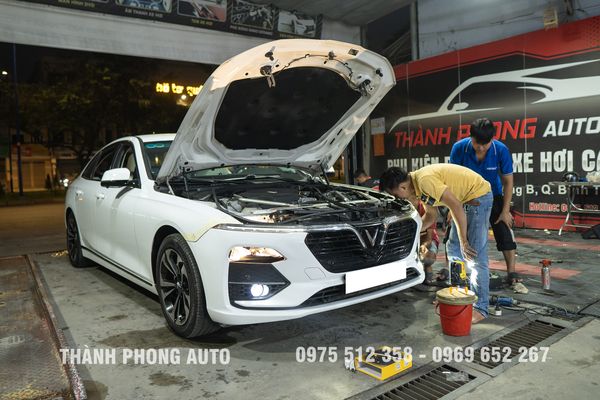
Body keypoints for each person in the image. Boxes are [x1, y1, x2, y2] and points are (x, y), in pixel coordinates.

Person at [380, 164, 492, 323]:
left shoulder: (425, 181)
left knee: (474, 254)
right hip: (465, 200)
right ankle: (458, 296)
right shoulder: (418, 187)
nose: (399, 199)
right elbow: (430, 216)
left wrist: (464, 241)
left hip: (478, 197)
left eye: (396, 195)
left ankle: (481, 307)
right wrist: (410, 232)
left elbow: (455, 205)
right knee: (453, 250)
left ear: (403, 187)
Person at [450, 118, 526, 294]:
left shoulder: (501, 150)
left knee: (504, 229)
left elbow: (508, 181)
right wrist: (453, 207)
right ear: (471, 137)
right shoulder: (459, 148)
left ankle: (511, 273)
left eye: (486, 144)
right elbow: (452, 180)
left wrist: (505, 211)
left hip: (493, 195)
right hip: (466, 196)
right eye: (477, 143)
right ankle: (457, 275)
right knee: (453, 235)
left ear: (492, 139)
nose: (481, 148)